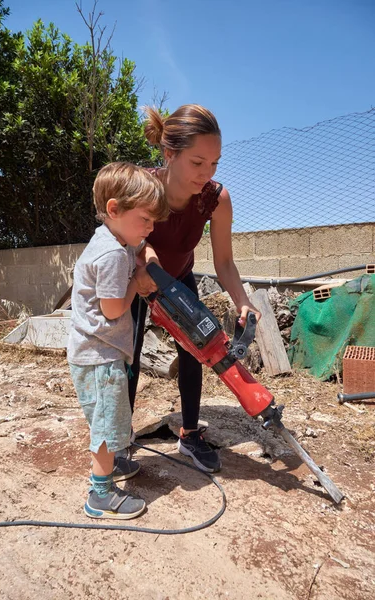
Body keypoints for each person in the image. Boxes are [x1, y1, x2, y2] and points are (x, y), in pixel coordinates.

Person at [128, 104, 261, 474]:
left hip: (180, 279)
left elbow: (224, 263)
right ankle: (120, 438)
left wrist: (243, 301)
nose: (207, 174)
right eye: (198, 162)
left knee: (194, 351)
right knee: (129, 353)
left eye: (215, 163)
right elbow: (129, 238)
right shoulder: (142, 186)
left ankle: (189, 434)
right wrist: (145, 260)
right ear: (170, 154)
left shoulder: (215, 199)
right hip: (136, 279)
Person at [67, 162, 168, 519]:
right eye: (145, 219)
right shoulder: (111, 254)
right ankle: (100, 494)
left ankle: (109, 468)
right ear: (114, 209)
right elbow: (112, 310)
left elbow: (142, 250)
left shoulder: (117, 238)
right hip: (98, 355)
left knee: (110, 418)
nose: (150, 227)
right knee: (107, 427)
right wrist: (137, 283)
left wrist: (147, 257)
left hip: (98, 352)